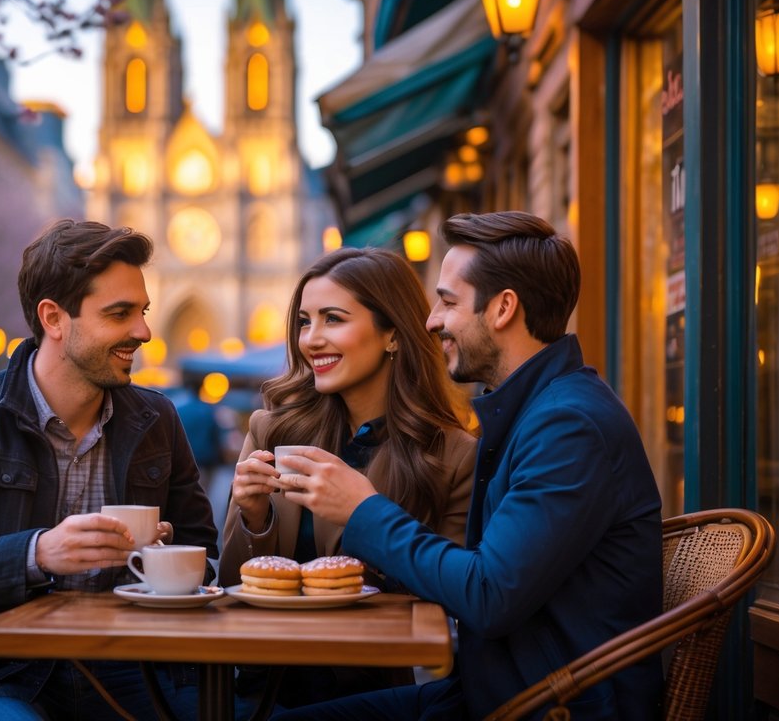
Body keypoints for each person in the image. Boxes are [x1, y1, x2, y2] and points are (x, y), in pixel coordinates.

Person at [272, 212, 663, 720]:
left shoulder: (569, 426)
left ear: (503, 309)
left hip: (550, 705)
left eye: (448, 301)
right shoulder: (537, 410)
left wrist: (362, 508)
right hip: (492, 691)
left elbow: (487, 594)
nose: (432, 320)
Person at [0, 219, 218, 721]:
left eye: (142, 312)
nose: (144, 332)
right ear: (54, 318)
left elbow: (204, 555)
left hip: (136, 667)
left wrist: (168, 560)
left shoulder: (157, 419)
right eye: (120, 314)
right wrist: (37, 553)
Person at [218, 247, 478, 709]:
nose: (311, 339)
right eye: (304, 321)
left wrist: (364, 515)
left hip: (377, 694)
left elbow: (449, 595)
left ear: (393, 334)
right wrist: (254, 517)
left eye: (332, 319)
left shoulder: (451, 455)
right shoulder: (271, 429)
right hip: (260, 684)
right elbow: (230, 579)